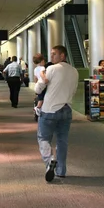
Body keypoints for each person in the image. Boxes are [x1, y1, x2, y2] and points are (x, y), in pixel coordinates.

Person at [34, 45, 78, 182]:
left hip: (50, 109)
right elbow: (73, 91)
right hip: (67, 109)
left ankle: (49, 161)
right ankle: (61, 170)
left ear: (63, 56)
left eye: (54, 54)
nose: (51, 56)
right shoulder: (74, 71)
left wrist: (43, 79)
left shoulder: (51, 69)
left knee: (43, 138)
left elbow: (38, 89)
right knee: (62, 140)